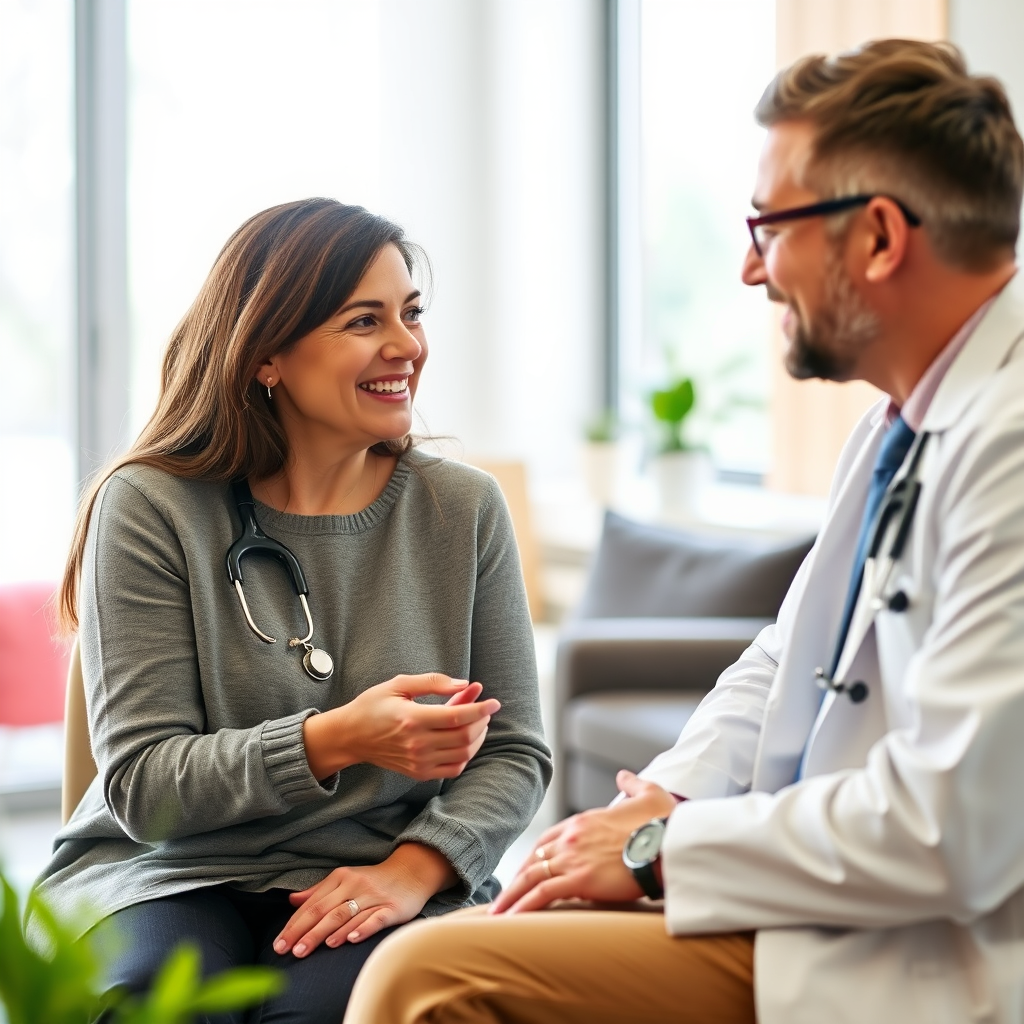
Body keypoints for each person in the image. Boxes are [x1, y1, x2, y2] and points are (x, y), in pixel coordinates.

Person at [344, 39, 1024, 1024]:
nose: (750, 268)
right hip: (808, 893)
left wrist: (660, 854)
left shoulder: (1005, 446)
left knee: (423, 981)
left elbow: (951, 826)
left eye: (769, 226)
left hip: (924, 948)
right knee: (480, 929)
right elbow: (783, 658)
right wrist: (651, 806)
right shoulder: (899, 424)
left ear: (877, 237)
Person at [40, 198, 552, 1022]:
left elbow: (515, 752)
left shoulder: (463, 508)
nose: (407, 346)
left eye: (410, 313)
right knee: (155, 1007)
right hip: (165, 869)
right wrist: (339, 738)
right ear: (267, 356)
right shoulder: (151, 507)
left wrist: (414, 870)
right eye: (363, 320)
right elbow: (142, 787)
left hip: (376, 869)